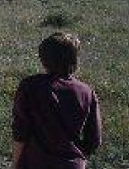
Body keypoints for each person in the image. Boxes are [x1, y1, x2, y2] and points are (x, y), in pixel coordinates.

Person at [11, 32, 102, 169]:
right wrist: (76, 159)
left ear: (43, 59)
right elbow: (94, 140)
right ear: (74, 60)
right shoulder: (86, 92)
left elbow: (20, 131)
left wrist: (15, 164)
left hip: (35, 162)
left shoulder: (30, 86)